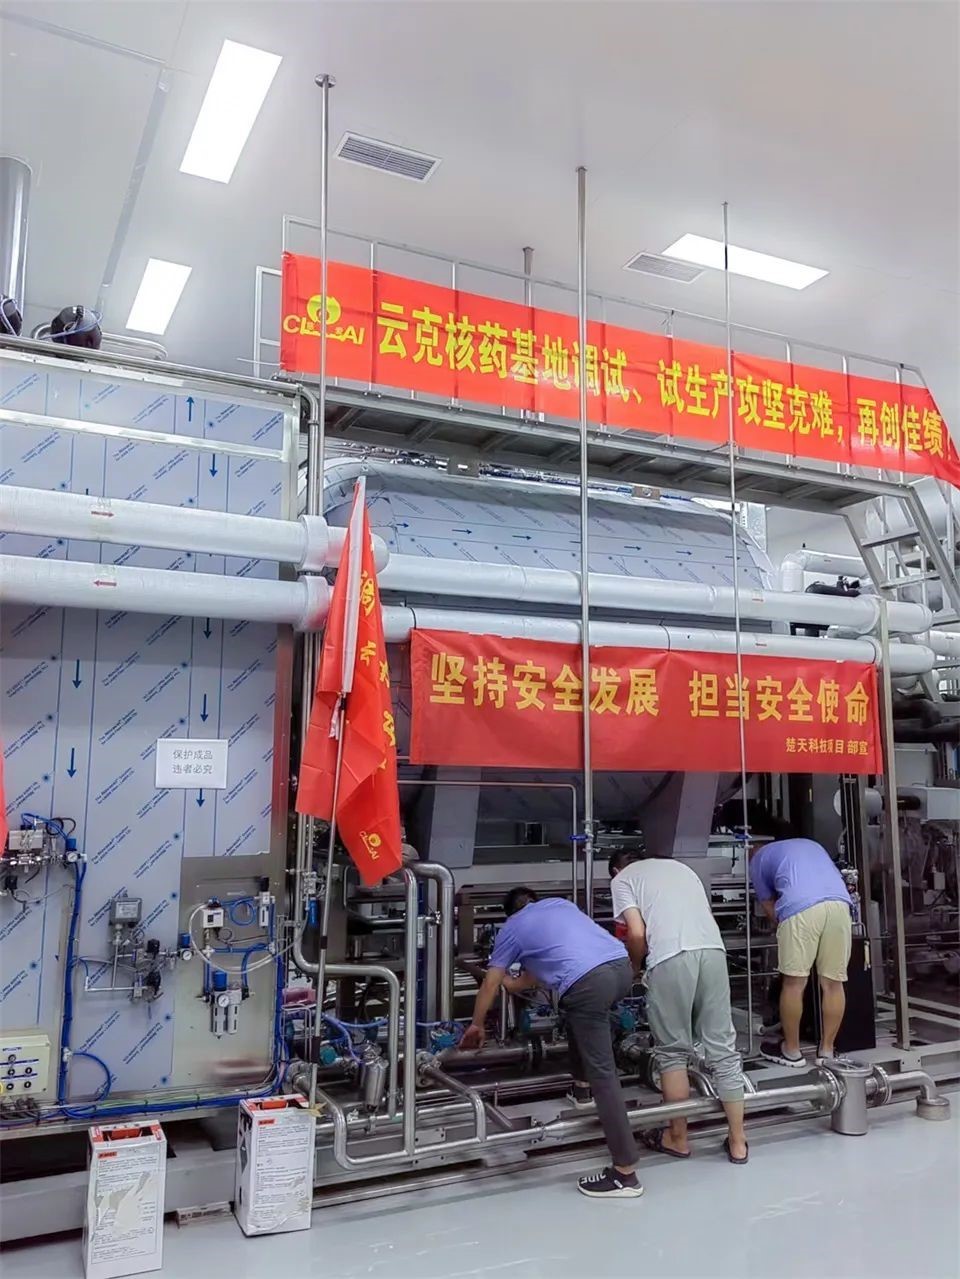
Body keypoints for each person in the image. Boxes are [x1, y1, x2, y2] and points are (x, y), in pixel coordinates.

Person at [460, 887, 643, 1199]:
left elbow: (491, 982)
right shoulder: (559, 905)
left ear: (511, 912)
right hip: (620, 967)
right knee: (576, 1014)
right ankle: (582, 1090)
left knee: (603, 1073)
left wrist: (476, 1024)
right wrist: (512, 983)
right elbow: (531, 977)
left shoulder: (512, 927)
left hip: (589, 984)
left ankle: (624, 1174)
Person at [609, 848, 749, 1164]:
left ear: (616, 870)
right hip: (713, 952)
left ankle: (677, 1137)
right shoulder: (682, 869)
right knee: (722, 1048)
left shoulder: (623, 879)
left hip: (670, 957)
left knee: (672, 1052)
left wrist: (634, 967)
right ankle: (738, 1141)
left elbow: (636, 932)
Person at [749, 815, 853, 1067]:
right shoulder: (811, 845)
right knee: (833, 983)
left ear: (755, 843)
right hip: (840, 905)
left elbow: (769, 909)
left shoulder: (758, 858)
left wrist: (784, 929)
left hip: (800, 909)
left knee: (794, 983)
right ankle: (827, 1051)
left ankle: (792, 1051)